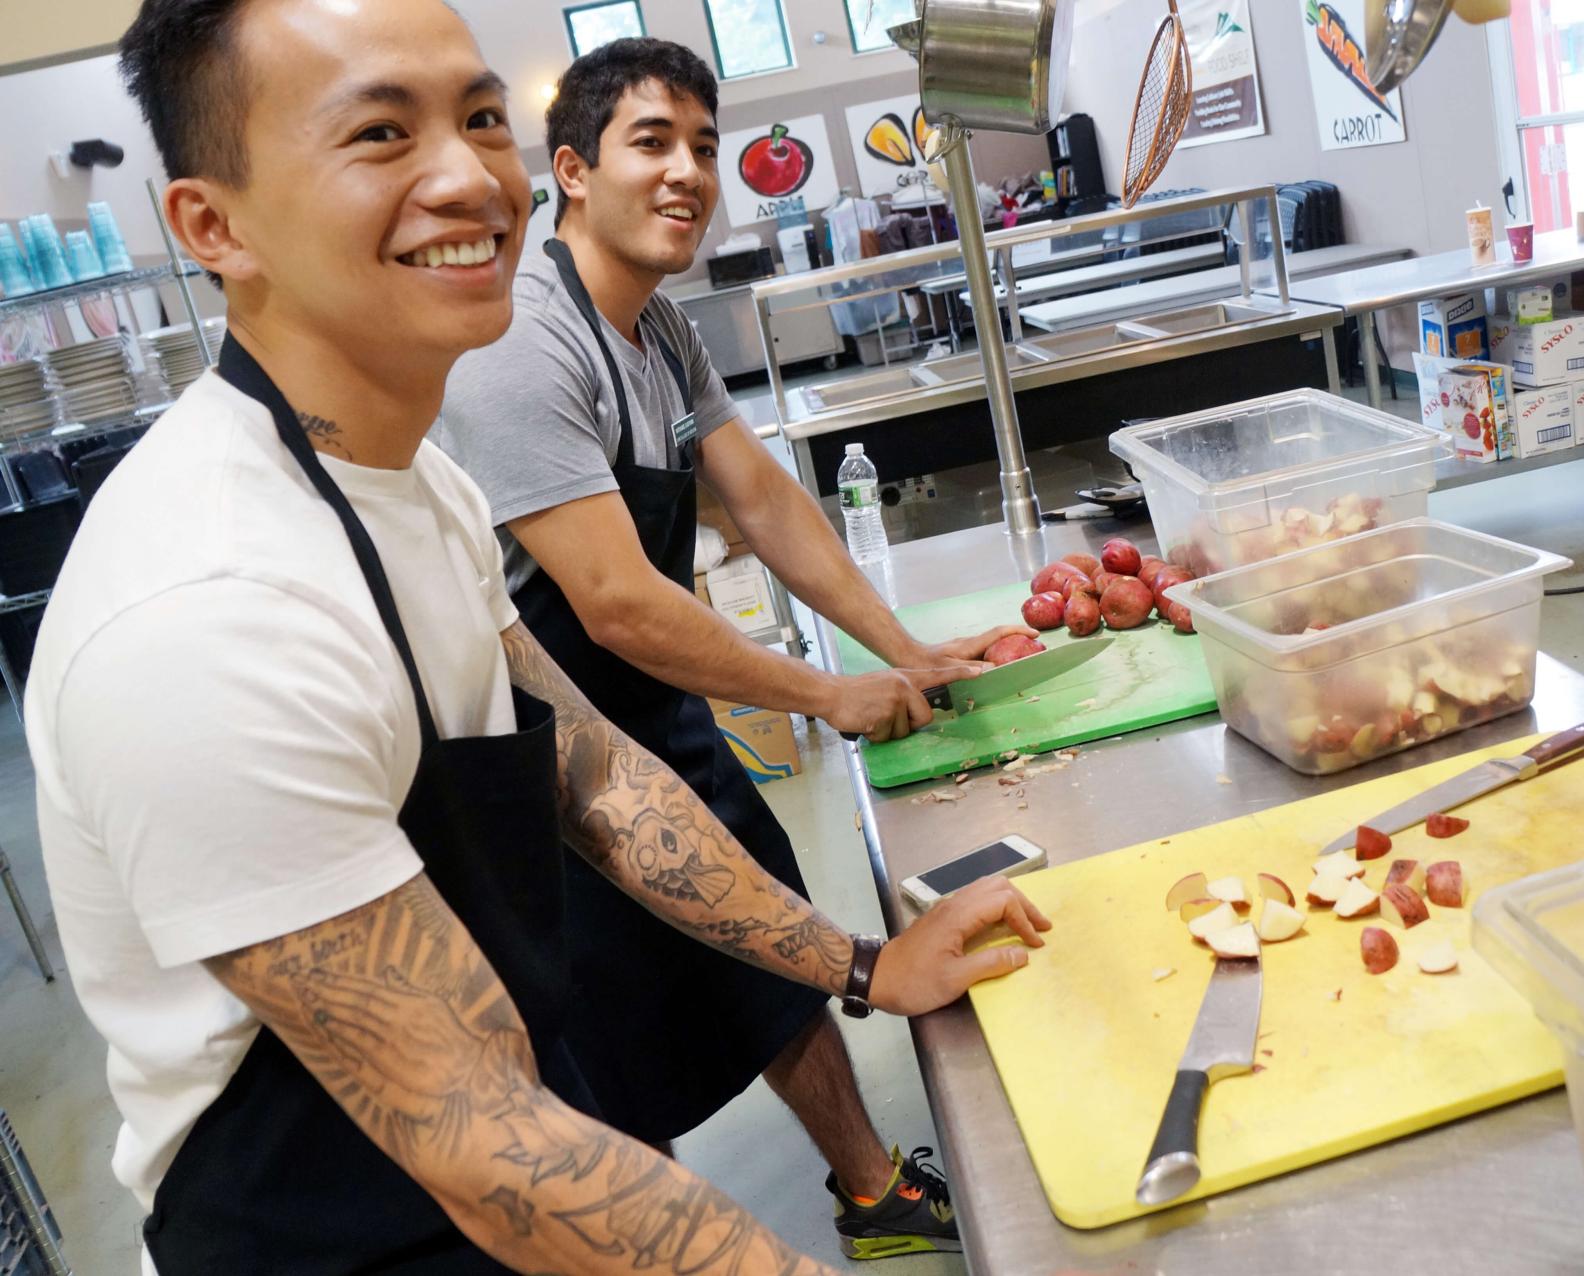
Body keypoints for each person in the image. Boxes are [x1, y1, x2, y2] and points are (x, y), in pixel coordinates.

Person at [28, 2, 1047, 1272]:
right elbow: (485, 1145)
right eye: (379, 132)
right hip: (337, 1226)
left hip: (494, 1123)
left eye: (476, 119)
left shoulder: (417, 485)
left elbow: (594, 772)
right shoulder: (209, 614)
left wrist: (863, 963)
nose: (467, 177)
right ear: (212, 226)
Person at [434, 40, 1028, 1261]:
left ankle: (872, 1190)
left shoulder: (657, 328)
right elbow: (614, 602)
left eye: (704, 147)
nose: (690, 171)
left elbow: (760, 497)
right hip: (549, 764)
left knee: (765, 937)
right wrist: (824, 694)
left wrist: (902, 652)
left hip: (660, 713)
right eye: (651, 142)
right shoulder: (524, 346)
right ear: (571, 173)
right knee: (609, 1049)